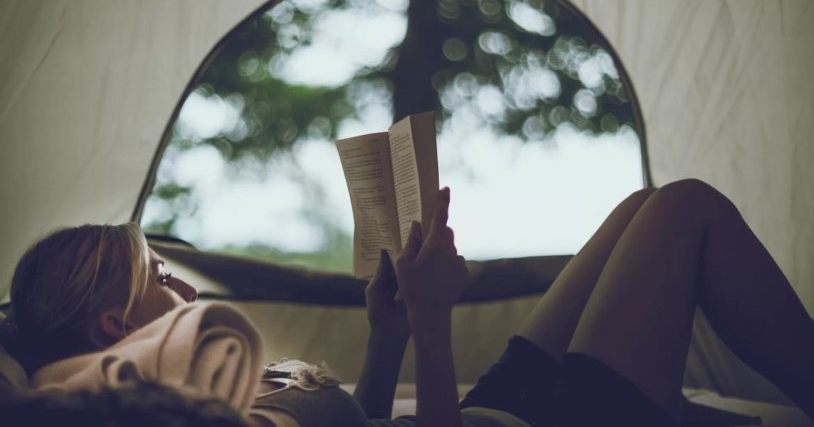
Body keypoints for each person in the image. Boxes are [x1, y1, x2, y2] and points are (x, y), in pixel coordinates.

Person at [0, 179, 812, 426]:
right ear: (115, 325)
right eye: (158, 277)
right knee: (686, 208)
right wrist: (432, 322)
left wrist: (386, 336)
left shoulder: (218, 380)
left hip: (495, 410)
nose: (182, 287)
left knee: (643, 206)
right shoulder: (187, 411)